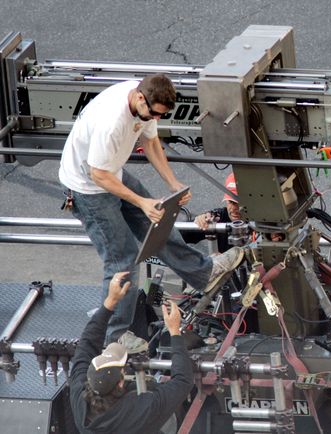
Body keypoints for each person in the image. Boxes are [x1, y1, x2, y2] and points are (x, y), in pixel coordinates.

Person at [58, 73, 243, 344]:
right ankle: (115, 338)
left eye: (160, 116)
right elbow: (98, 175)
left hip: (110, 174)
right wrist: (141, 202)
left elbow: (151, 142)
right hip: (88, 189)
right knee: (123, 261)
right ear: (140, 99)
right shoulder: (112, 122)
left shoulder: (145, 106)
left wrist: (172, 183)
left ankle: (204, 273)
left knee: (158, 222)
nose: (155, 120)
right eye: (153, 115)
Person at [70, 271, 193, 434]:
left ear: (89, 382)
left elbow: (86, 346)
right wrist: (175, 331)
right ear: (121, 382)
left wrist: (110, 303)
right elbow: (183, 381)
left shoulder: (80, 401)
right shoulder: (141, 410)